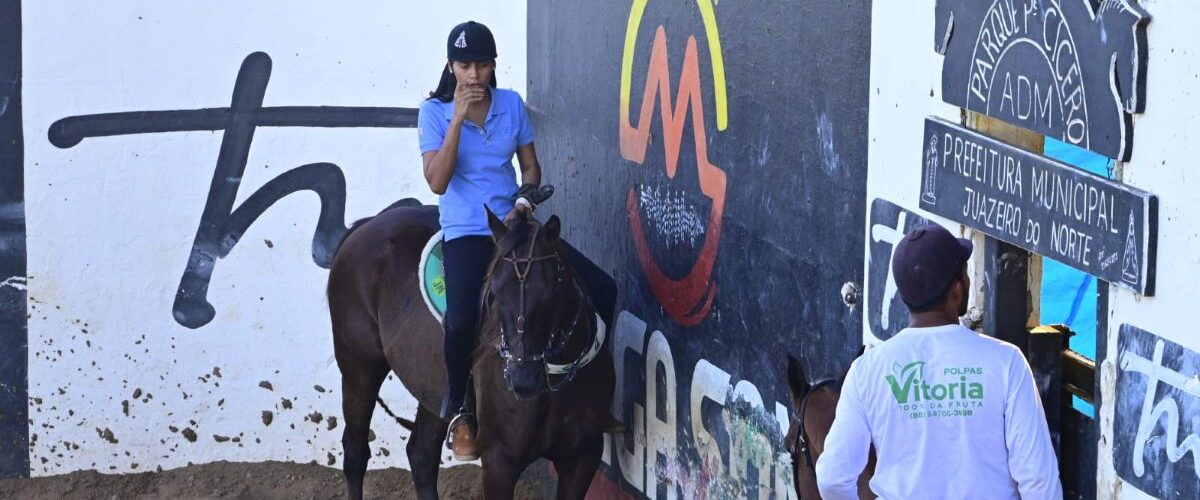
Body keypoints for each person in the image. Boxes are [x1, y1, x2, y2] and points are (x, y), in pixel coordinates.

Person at [416, 20, 616, 462]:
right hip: (468, 231)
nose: (473, 74)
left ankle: (593, 398)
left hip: (514, 229)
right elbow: (437, 181)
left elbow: (530, 169)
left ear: (493, 65)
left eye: (481, 65)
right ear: (450, 67)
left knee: (602, 289)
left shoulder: (510, 104)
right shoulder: (433, 112)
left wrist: (523, 203)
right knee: (462, 319)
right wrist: (457, 120)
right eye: (463, 65)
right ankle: (460, 412)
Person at [816, 224, 1062, 499]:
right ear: (957, 290)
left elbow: (832, 479)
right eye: (965, 273)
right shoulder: (1007, 363)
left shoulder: (866, 372)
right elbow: (1040, 483)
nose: (968, 280)